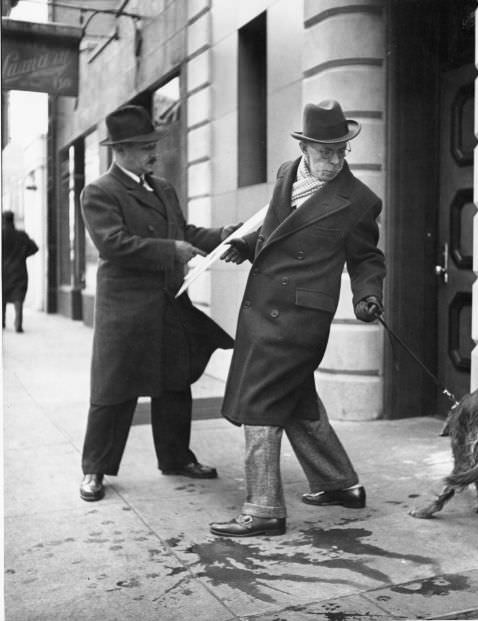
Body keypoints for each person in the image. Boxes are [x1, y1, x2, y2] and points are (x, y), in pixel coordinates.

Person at [209, 99, 385, 537]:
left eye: (342, 150)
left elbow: (367, 258)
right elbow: (277, 230)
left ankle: (265, 508)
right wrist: (247, 246)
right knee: (297, 402)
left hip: (300, 318)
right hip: (263, 306)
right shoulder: (287, 174)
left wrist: (368, 295)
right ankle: (341, 484)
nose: (334, 160)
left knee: (261, 404)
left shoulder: (358, 200)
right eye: (325, 151)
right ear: (305, 146)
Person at [79, 105, 240, 502]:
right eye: (144, 146)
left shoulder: (162, 188)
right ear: (120, 150)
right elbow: (113, 244)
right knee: (114, 390)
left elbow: (183, 231)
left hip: (166, 302)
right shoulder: (100, 191)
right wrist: (172, 250)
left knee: (174, 383)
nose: (153, 152)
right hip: (126, 311)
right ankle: (94, 470)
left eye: (153, 144)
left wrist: (223, 235)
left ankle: (176, 458)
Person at [2, 210, 39, 333]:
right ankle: (18, 324)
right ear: (12, 220)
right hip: (19, 271)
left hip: (3, 272)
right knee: (18, 298)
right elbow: (34, 248)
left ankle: (2, 321)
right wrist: (23, 254)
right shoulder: (21, 235)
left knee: (2, 296)